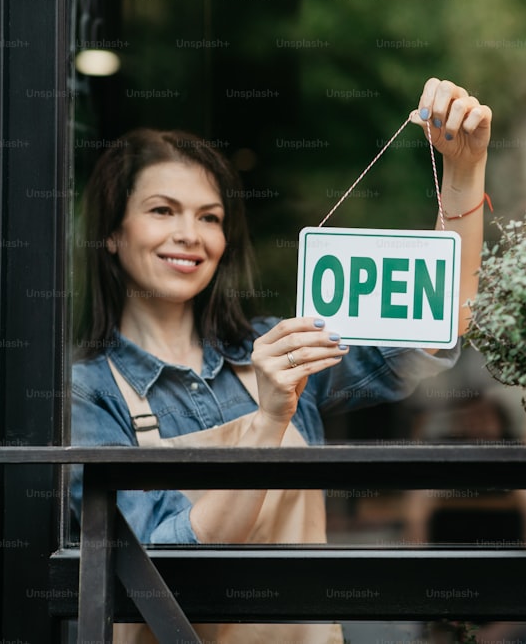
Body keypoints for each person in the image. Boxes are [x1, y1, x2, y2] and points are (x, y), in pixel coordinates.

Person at [70, 78, 491, 641]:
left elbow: (433, 329)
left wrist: (464, 170)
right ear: (113, 234)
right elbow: (159, 580)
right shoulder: (86, 391)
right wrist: (269, 422)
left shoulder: (277, 347)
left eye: (210, 217)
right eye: (162, 211)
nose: (189, 235)